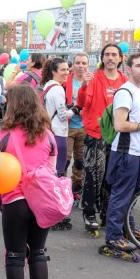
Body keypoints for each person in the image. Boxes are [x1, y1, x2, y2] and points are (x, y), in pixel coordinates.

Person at [0, 84, 57, 279]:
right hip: (41, 202)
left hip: (15, 201)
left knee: (15, 255)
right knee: (39, 252)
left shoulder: (5, 136)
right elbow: (53, 170)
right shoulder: (49, 136)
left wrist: (1, 197)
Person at [103, 53, 140, 256]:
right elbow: (120, 124)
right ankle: (114, 237)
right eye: (138, 66)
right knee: (121, 195)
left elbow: (138, 121)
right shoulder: (126, 91)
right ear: (128, 69)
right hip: (127, 152)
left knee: (131, 194)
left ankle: (128, 229)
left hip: (138, 150)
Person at [76, 44, 127, 233]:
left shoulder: (124, 80)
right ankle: (89, 213)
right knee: (93, 176)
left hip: (117, 136)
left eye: (114, 54)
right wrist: (83, 86)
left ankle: (107, 212)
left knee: (111, 177)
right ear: (102, 58)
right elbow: (82, 103)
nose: (111, 58)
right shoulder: (94, 78)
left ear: (121, 58)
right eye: (107, 55)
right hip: (95, 134)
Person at [41, 57, 72, 176]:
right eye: (63, 70)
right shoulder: (58, 88)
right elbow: (63, 116)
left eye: (68, 69)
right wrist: (75, 110)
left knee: (49, 169)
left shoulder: (47, 85)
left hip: (48, 132)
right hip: (58, 133)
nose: (66, 73)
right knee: (58, 171)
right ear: (54, 72)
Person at [65, 53, 88, 199]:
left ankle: (76, 189)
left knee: (80, 161)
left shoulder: (92, 82)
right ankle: (61, 188)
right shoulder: (65, 80)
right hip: (67, 127)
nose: (80, 66)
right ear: (73, 65)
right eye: (78, 63)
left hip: (84, 126)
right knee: (65, 160)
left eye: (84, 63)